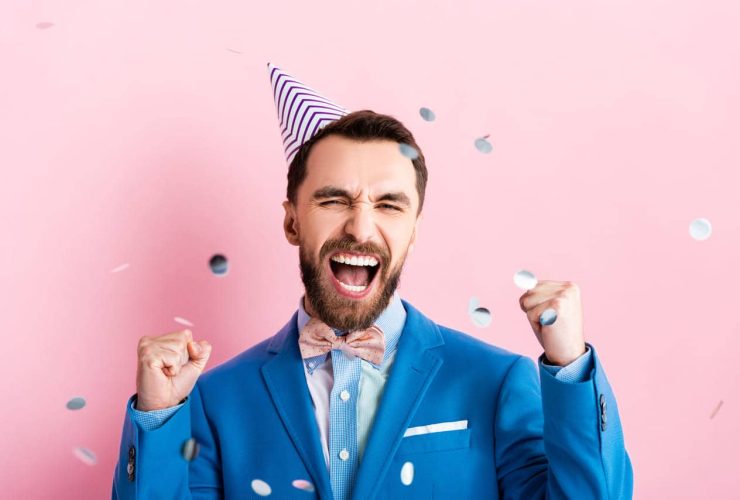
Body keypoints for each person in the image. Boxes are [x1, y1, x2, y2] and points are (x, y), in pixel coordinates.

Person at [112, 63, 633, 499]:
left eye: (388, 205)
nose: (361, 227)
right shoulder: (215, 400)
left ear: (413, 230)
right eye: (334, 200)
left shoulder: (496, 384)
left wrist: (569, 369)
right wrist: (159, 417)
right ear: (293, 220)